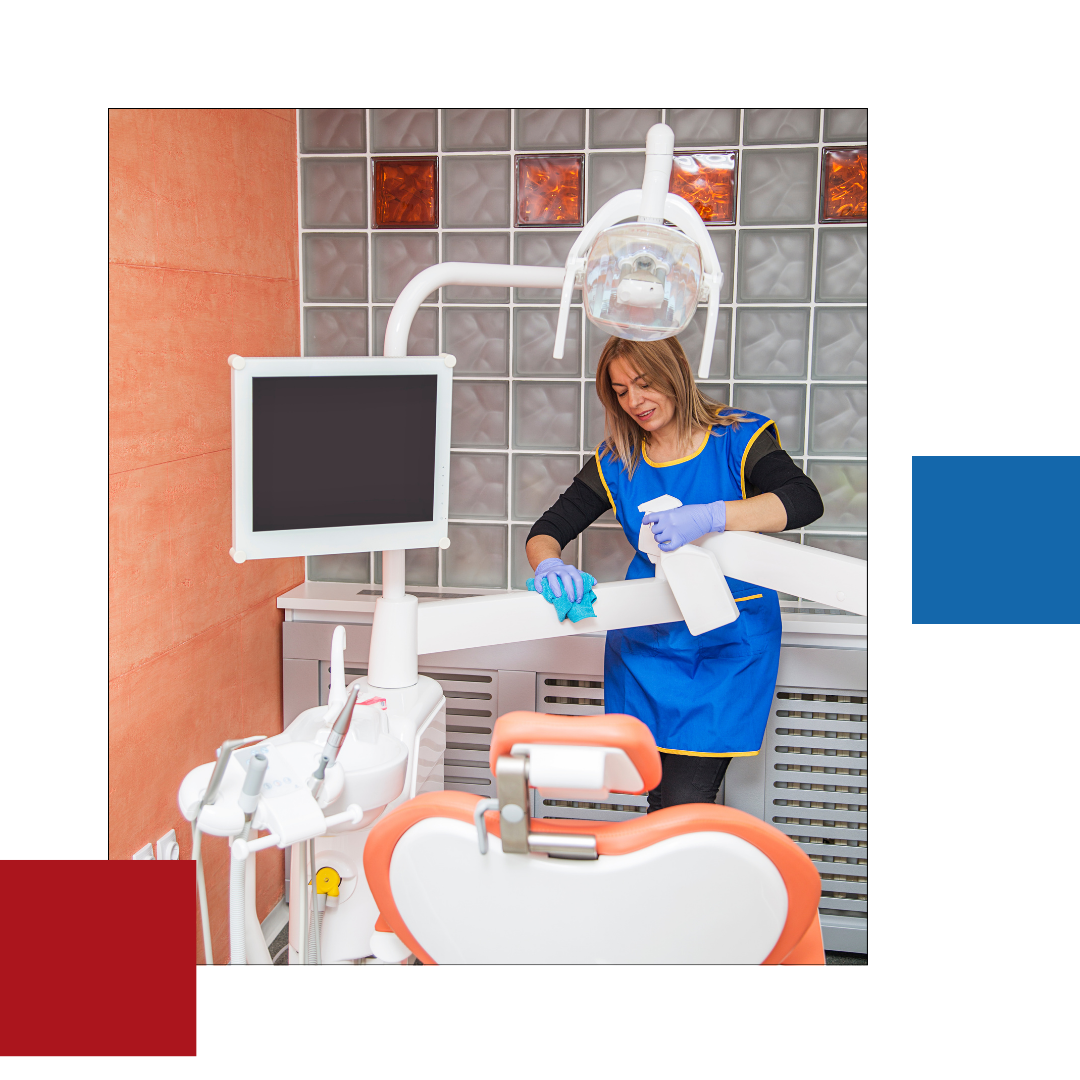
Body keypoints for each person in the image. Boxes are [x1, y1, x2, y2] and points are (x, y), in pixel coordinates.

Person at [525, 335, 825, 812]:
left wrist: (711, 516)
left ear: (675, 373)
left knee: (684, 800)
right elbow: (547, 530)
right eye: (621, 391)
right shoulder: (618, 458)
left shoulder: (736, 438)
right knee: (661, 796)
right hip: (648, 648)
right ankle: (673, 881)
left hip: (728, 646)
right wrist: (548, 564)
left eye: (644, 384)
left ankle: (676, 881)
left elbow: (804, 500)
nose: (635, 402)